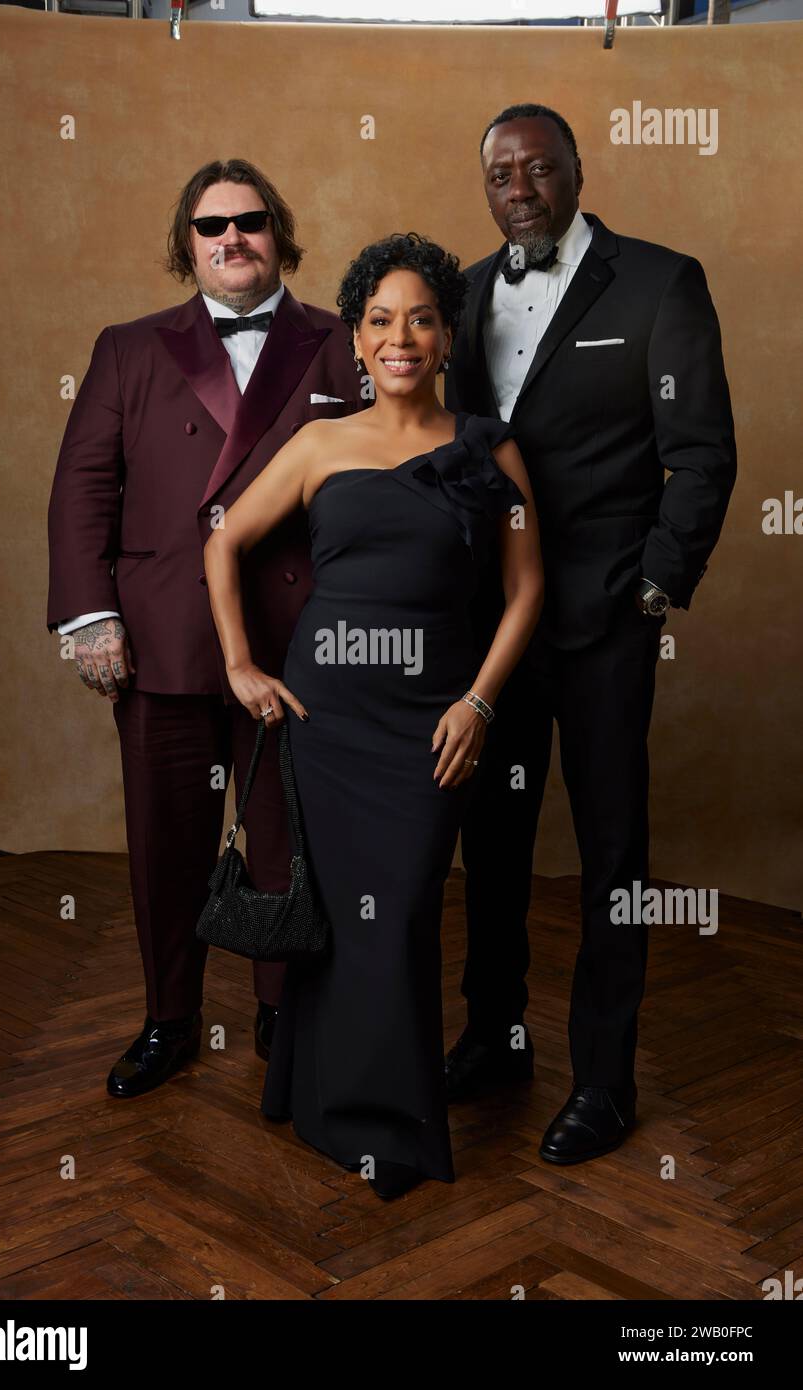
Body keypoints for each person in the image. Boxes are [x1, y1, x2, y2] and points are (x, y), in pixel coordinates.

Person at [203, 233, 543, 1199]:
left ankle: (383, 1120)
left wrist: (479, 701)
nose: (402, 338)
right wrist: (239, 664)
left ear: (446, 337)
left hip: (433, 718)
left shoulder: (490, 447)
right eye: (381, 321)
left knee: (398, 915)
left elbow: (526, 594)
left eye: (422, 319)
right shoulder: (318, 443)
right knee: (340, 917)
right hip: (329, 713)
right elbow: (222, 541)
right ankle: (319, 1099)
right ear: (357, 338)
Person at [444, 103, 737, 1163]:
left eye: (538, 168)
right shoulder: (462, 293)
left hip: (606, 621)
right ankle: (496, 1036)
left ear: (576, 171)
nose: (518, 186)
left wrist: (652, 589)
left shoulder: (662, 281)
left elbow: (702, 453)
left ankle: (605, 1083)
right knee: (494, 837)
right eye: (499, 172)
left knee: (613, 849)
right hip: (493, 626)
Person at [46, 159, 364, 1098]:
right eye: (210, 225)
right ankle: (169, 1017)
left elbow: (387, 487)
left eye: (251, 220)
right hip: (160, 638)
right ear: (186, 245)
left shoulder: (344, 341)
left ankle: (282, 1017)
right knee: (166, 842)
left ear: (281, 233)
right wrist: (90, 617)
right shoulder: (128, 347)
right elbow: (82, 489)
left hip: (296, 642)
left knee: (285, 842)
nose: (232, 238)